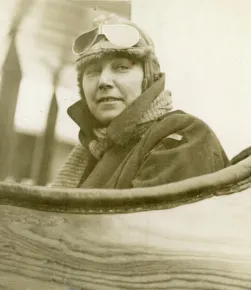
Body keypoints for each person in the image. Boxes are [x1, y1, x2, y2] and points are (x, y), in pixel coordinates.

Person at [50, 14, 229, 189]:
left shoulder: (184, 136)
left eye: (121, 67)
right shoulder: (91, 151)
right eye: (93, 72)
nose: (103, 81)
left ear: (148, 78)